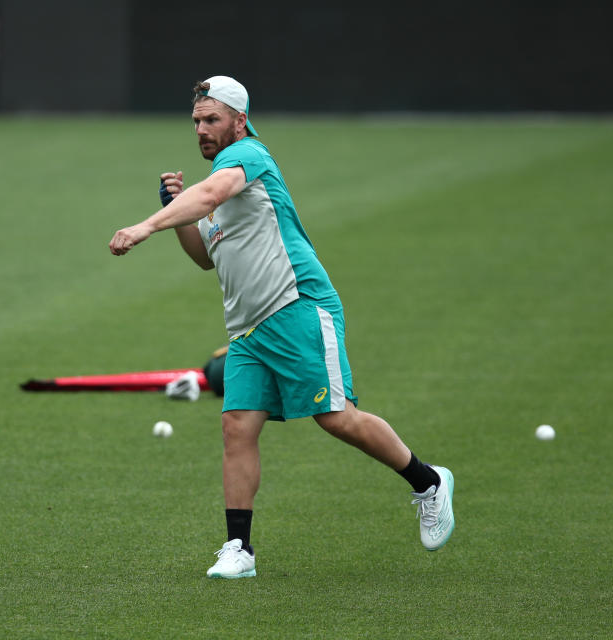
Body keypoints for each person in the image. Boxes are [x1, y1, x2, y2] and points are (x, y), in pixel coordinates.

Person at [108, 76, 455, 579]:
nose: (202, 130)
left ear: (239, 121)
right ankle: (238, 549)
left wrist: (143, 227)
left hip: (297, 309)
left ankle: (429, 483)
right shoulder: (215, 193)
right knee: (236, 427)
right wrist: (173, 213)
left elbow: (211, 192)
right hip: (248, 328)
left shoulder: (249, 157)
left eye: (212, 120)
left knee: (337, 418)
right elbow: (205, 256)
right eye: (197, 122)